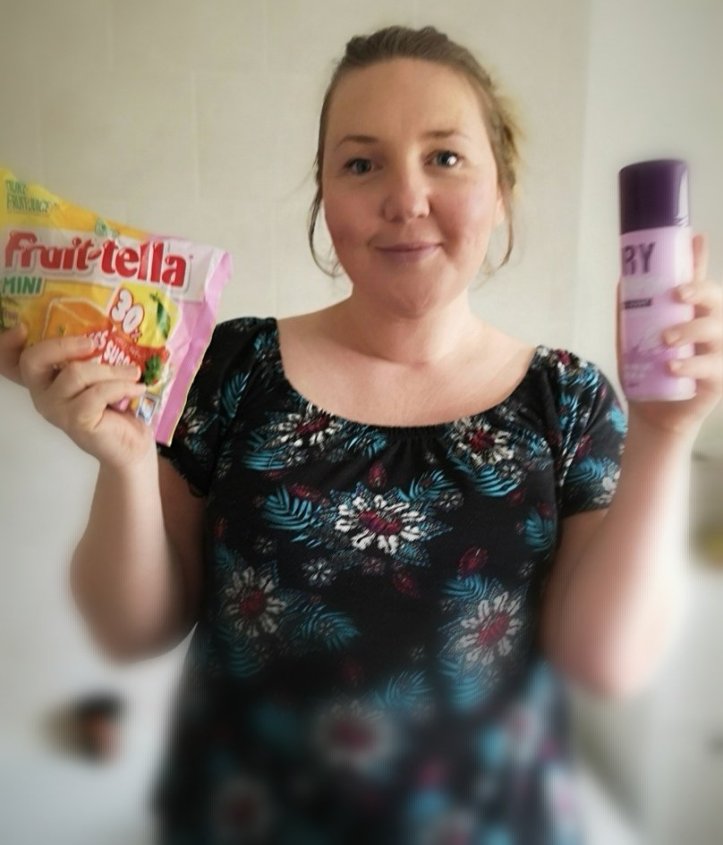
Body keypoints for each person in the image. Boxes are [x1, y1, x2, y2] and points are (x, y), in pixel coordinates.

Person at [1, 24, 721, 845]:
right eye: (360, 163)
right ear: (324, 194)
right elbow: (129, 629)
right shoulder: (232, 365)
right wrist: (125, 461)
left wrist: (665, 431)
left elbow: (606, 662)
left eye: (444, 157)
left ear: (501, 186)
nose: (405, 199)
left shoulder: (568, 399)